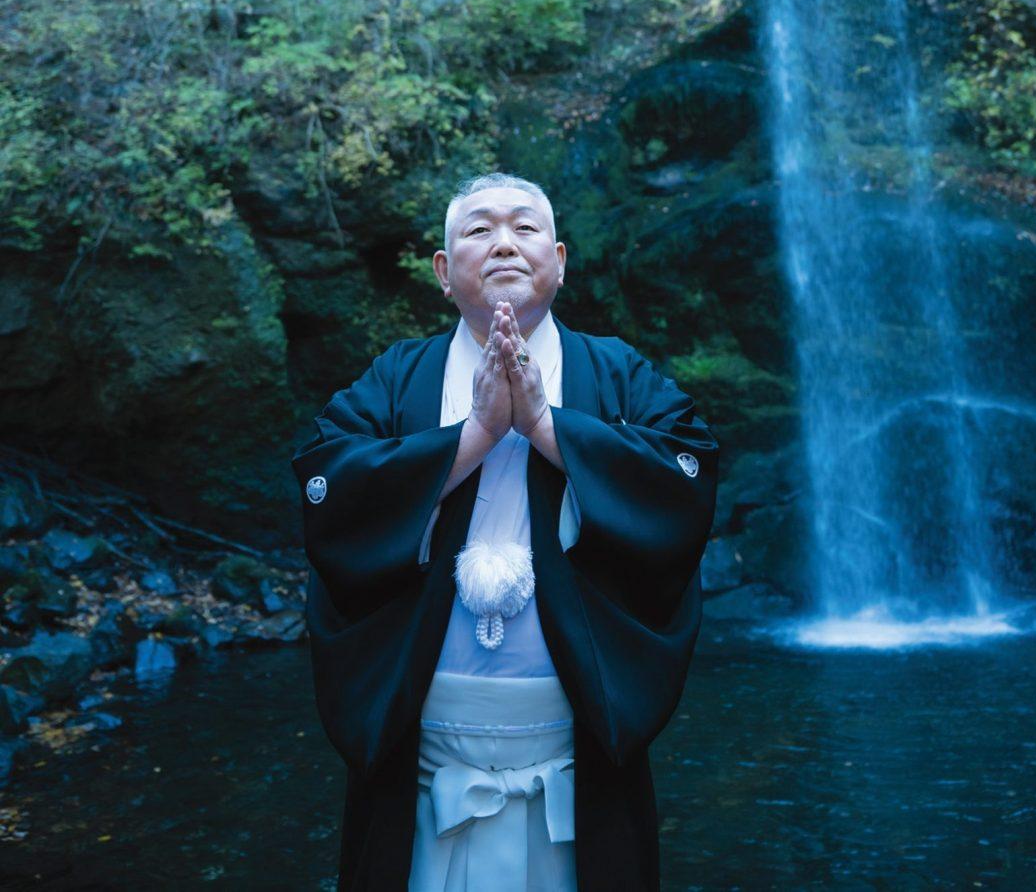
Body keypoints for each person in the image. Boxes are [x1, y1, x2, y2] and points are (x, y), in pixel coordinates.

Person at [292, 172, 717, 892]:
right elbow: (328, 488)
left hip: (581, 747)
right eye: (479, 229)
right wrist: (475, 436)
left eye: (524, 228)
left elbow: (687, 478)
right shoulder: (398, 377)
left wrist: (547, 428)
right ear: (443, 270)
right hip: (421, 750)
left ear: (559, 260)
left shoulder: (617, 372)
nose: (504, 244)